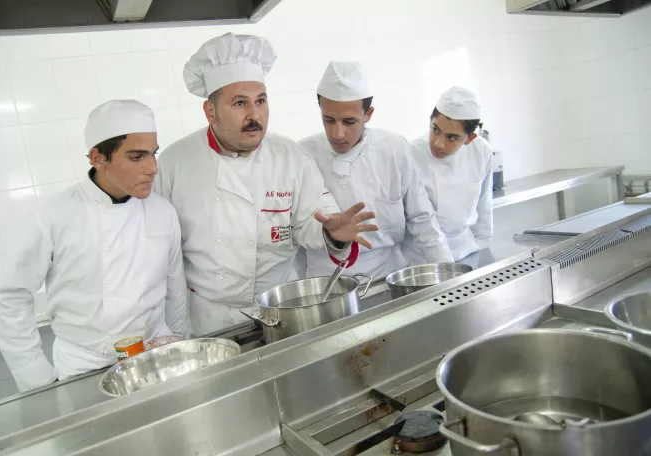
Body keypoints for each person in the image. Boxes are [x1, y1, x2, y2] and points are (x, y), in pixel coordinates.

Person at [155, 33, 378, 336]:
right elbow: (161, 255)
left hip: (284, 310)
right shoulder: (174, 164)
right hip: (209, 321)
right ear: (210, 111)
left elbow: (314, 218)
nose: (254, 115)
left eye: (261, 101)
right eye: (240, 103)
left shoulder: (290, 157)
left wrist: (332, 232)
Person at [0, 100, 190, 392]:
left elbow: (175, 288)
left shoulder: (162, 212)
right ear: (98, 158)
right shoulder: (54, 216)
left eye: (153, 154)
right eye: (137, 157)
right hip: (84, 368)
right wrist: (37, 381)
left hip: (155, 356)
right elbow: (10, 297)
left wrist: (179, 346)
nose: (153, 168)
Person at [297, 62, 452, 279]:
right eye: (328, 120)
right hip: (326, 283)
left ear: (368, 114)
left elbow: (422, 218)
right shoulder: (302, 156)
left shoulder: (394, 149)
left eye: (349, 121)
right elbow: (295, 231)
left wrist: (448, 271)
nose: (338, 133)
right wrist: (328, 233)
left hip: (388, 276)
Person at [411, 87, 493, 262]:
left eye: (452, 137)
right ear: (430, 121)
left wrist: (483, 243)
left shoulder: (481, 151)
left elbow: (484, 202)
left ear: (469, 139)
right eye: (436, 129)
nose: (439, 143)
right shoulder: (412, 154)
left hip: (466, 249)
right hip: (422, 258)